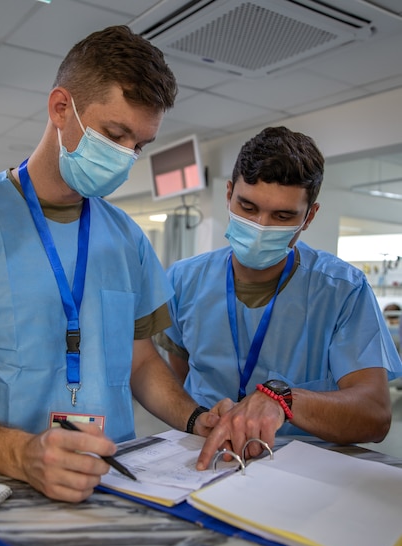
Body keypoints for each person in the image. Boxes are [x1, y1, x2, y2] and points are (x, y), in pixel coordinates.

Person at [0, 25, 221, 503]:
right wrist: (20, 454)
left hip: (107, 488)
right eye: (114, 135)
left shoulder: (126, 239)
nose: (126, 157)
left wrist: (197, 418)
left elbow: (140, 361)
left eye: (140, 145)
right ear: (60, 108)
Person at [158, 126, 402, 469]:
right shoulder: (184, 280)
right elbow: (179, 373)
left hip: (300, 466)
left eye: (282, 217)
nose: (260, 226)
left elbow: (375, 416)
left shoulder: (342, 290)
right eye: (247, 206)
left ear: (309, 217)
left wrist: (285, 401)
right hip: (206, 455)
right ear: (228, 195)